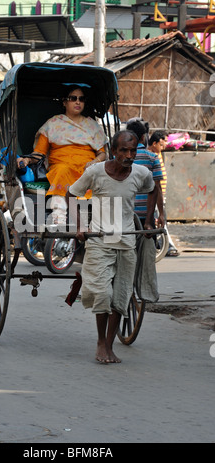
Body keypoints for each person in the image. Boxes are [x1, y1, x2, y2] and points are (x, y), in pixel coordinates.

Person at [67, 130, 157, 364]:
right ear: (113, 151)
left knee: (121, 295)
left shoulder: (141, 173)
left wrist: (149, 219)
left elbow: (153, 188)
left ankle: (109, 345)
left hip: (126, 241)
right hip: (98, 240)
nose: (129, 155)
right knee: (103, 294)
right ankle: (100, 342)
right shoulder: (96, 172)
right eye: (123, 151)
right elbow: (71, 194)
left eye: (133, 151)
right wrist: (80, 226)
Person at [16, 85, 108, 224]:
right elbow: (39, 153)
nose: (78, 102)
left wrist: (95, 161)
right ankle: (59, 217)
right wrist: (28, 160)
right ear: (64, 102)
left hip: (88, 167)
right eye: (73, 98)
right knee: (62, 170)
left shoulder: (92, 125)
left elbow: (102, 153)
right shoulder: (52, 124)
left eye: (81, 99)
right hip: (62, 167)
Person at [126, 120, 164, 229]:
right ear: (143, 137)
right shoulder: (152, 158)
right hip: (147, 215)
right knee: (146, 245)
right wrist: (161, 214)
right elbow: (157, 188)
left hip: (124, 213)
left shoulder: (118, 158)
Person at [148, 130, 179, 256]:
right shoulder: (151, 155)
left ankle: (163, 245)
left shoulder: (158, 154)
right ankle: (168, 246)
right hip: (154, 196)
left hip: (160, 195)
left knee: (160, 221)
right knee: (160, 221)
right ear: (154, 143)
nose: (165, 145)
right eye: (162, 143)